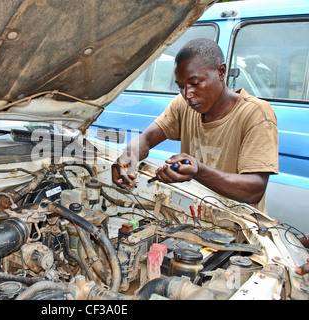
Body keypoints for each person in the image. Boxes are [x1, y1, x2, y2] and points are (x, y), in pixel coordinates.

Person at [112, 38, 279, 211]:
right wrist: (126, 159)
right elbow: (146, 139)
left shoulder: (256, 114)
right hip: (194, 216)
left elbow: (254, 189)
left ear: (221, 72)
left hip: (239, 224)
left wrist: (198, 171)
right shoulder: (183, 105)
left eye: (195, 83)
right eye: (181, 86)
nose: (188, 94)